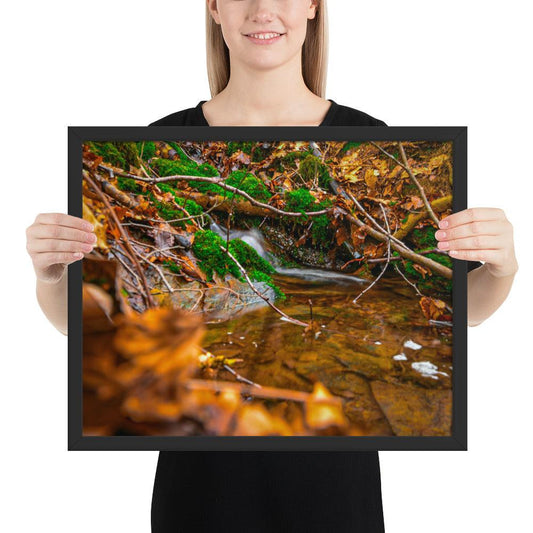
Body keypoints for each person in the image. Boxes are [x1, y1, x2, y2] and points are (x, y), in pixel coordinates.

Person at [25, 1, 519, 531]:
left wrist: (501, 269)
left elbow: (462, 316)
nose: (264, 10)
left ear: (312, 7)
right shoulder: (159, 137)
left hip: (334, 501)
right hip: (198, 499)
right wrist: (51, 274)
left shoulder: (368, 132)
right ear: (215, 8)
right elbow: (79, 326)